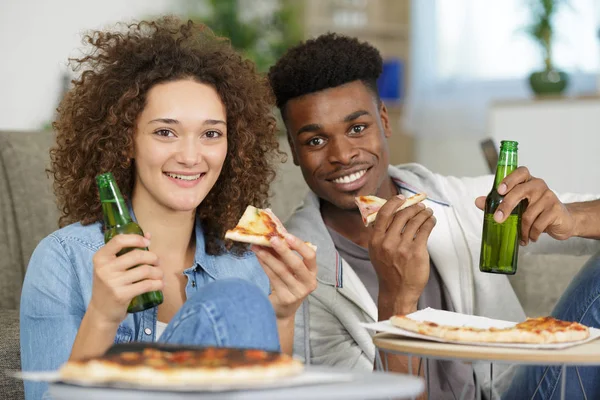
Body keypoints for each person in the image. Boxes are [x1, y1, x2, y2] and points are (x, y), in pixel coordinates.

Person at [267, 32, 600, 399]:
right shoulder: (294, 273)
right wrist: (397, 300)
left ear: (384, 121)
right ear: (295, 152)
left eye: (357, 128)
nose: (342, 155)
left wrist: (571, 218)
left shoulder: (453, 201)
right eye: (315, 141)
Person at [20, 17, 316, 400]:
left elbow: (269, 392)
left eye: (211, 134)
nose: (191, 156)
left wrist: (281, 314)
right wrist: (104, 315)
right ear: (126, 142)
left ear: (233, 146)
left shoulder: (248, 263)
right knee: (238, 299)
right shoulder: (63, 260)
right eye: (165, 132)